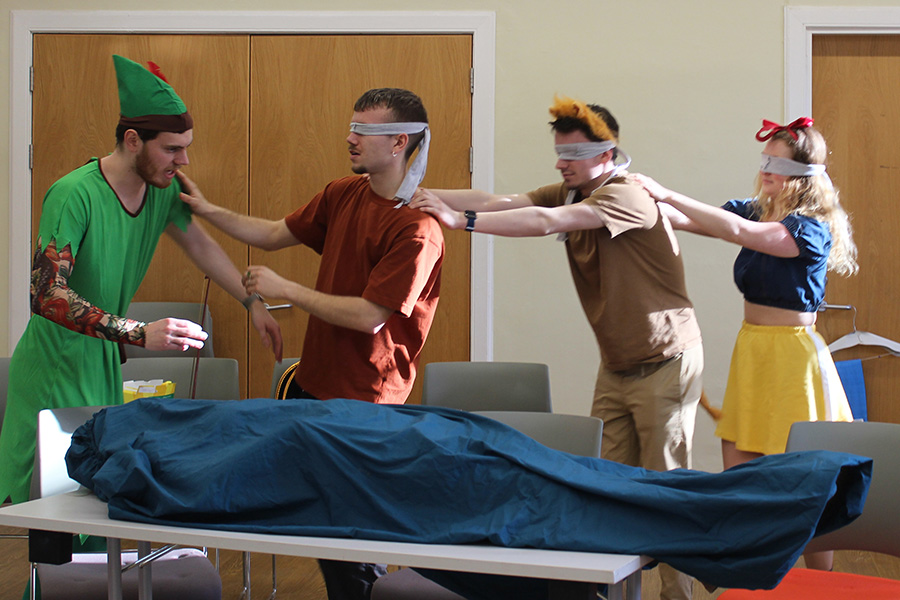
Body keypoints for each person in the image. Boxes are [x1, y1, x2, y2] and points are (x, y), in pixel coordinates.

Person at [409, 95, 702, 600]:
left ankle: (681, 592)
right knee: (606, 487)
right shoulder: (570, 190)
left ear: (606, 155)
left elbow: (547, 224)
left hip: (666, 363)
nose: (561, 163)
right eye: (559, 153)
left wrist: (464, 223)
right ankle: (612, 591)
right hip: (617, 366)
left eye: (572, 155)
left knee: (664, 488)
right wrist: (411, 189)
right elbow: (503, 201)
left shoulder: (626, 195)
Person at [177, 87, 444, 599]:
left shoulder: (418, 227)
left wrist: (288, 292)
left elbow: (370, 317)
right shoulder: (345, 193)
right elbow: (273, 233)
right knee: (323, 533)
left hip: (365, 405)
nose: (350, 138)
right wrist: (207, 210)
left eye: (363, 132)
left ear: (398, 142)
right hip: (313, 387)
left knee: (349, 548)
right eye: (352, 126)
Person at [0, 54, 283, 506]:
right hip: (56, 367)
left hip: (103, 363)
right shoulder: (74, 193)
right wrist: (138, 332)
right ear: (133, 140)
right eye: (172, 148)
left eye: (185, 146)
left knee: (97, 501)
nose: (184, 159)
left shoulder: (162, 191)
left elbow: (201, 246)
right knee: (53, 512)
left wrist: (252, 304)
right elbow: (46, 294)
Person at [635, 117, 858, 571]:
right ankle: (748, 574)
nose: (766, 168)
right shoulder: (758, 209)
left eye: (776, 161)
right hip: (752, 349)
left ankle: (820, 586)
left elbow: (737, 233)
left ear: (802, 172)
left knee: (806, 476)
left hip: (793, 358)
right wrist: (629, 199)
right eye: (765, 159)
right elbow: (694, 220)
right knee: (739, 471)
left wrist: (668, 192)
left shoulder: (808, 228)